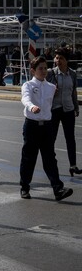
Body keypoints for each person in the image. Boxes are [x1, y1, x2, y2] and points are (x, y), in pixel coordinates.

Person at [19, 56, 73, 201]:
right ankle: (25, 187)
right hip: (32, 125)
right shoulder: (28, 85)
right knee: (29, 158)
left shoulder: (51, 87)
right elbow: (25, 99)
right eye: (40, 68)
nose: (43, 71)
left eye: (45, 68)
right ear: (33, 71)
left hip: (47, 126)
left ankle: (58, 189)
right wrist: (31, 107)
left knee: (50, 158)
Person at [47, 48, 80, 176]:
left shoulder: (72, 74)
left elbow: (73, 91)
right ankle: (50, 163)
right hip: (54, 109)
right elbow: (44, 90)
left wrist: (76, 107)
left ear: (67, 60)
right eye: (56, 58)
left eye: (61, 58)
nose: (58, 60)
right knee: (51, 138)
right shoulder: (51, 73)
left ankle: (73, 165)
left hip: (68, 109)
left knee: (70, 138)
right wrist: (51, 92)